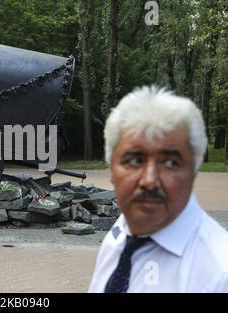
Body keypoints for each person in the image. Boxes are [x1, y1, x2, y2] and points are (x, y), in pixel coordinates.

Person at [88, 86, 228, 292]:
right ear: (111, 170)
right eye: (135, 160)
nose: (150, 181)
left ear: (194, 171)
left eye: (171, 163)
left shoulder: (219, 274)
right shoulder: (120, 233)